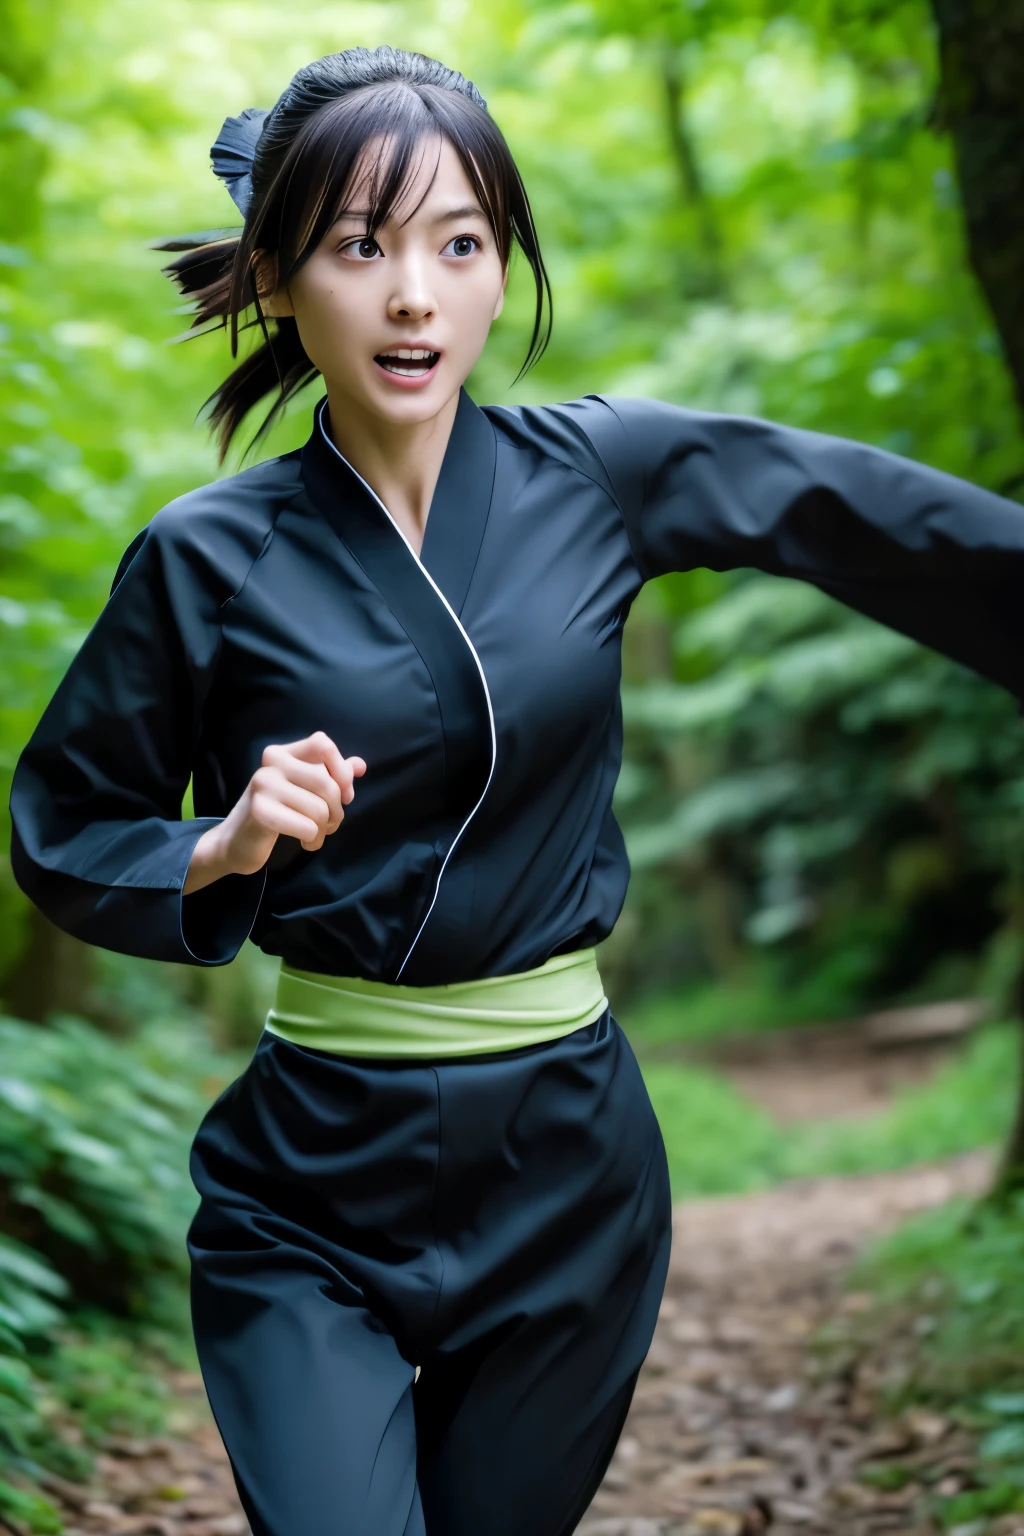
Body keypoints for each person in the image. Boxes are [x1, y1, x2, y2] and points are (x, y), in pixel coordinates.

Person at [9, 41, 1024, 1536]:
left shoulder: (597, 475)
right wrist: (217, 846)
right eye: (361, 246)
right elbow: (62, 827)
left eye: (460, 243)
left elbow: (868, 518)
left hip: (568, 1171)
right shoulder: (205, 558)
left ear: (503, 270)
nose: (415, 294)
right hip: (313, 1178)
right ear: (281, 277)